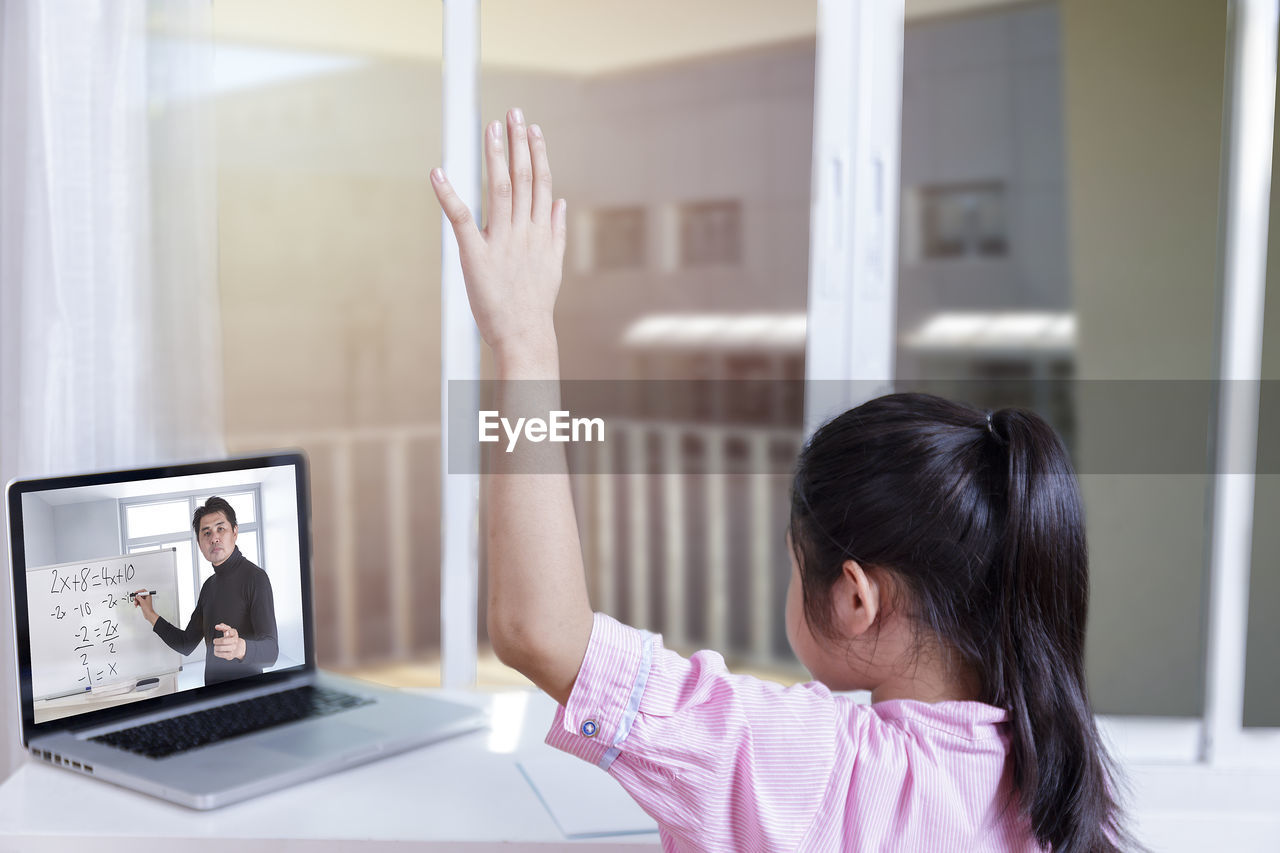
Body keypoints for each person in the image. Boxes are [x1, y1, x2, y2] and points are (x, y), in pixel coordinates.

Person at [430, 109, 1133, 851]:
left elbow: (537, 630)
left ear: (857, 597)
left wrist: (523, 339)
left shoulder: (822, 767)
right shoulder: (1057, 778)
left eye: (798, 562)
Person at [133, 496, 279, 686]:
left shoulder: (256, 578)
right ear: (199, 543)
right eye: (206, 533)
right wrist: (150, 615)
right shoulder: (209, 586)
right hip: (211, 696)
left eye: (221, 528)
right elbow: (185, 644)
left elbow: (272, 652)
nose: (214, 538)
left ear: (235, 531)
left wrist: (240, 648)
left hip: (247, 699)